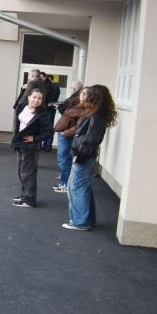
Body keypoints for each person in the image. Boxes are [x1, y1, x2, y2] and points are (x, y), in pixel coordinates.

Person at [63, 85, 117, 231]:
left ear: (94, 97)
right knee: (81, 186)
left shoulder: (95, 116)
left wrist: (78, 157)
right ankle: (87, 220)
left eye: (88, 94)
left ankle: (80, 222)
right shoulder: (95, 114)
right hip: (85, 156)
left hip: (83, 157)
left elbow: (89, 140)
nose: (85, 96)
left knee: (76, 187)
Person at [10, 87, 51, 208]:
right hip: (20, 143)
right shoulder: (22, 106)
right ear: (29, 97)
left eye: (39, 98)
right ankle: (24, 195)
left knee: (28, 173)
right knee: (21, 171)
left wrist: (35, 138)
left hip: (30, 146)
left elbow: (48, 132)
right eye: (34, 97)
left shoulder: (42, 114)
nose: (36, 100)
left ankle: (29, 200)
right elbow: (17, 122)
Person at [52, 81, 84, 194]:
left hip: (66, 132)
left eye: (71, 87)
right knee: (65, 159)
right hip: (65, 131)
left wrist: (65, 133)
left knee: (64, 159)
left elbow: (71, 116)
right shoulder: (75, 100)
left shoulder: (76, 101)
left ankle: (65, 184)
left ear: (75, 89)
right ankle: (65, 182)